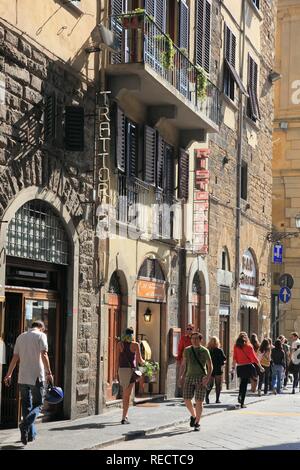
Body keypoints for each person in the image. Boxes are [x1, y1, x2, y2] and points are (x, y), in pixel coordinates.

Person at [3, 320, 53, 445]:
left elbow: (15, 357)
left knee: (26, 406)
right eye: (44, 329)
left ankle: (29, 435)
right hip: (36, 376)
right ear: (41, 327)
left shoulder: (21, 336)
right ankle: (24, 425)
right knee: (39, 404)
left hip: (23, 377)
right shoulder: (41, 335)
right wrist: (49, 373)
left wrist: (8, 374)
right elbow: (44, 354)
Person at [179, 332, 212, 431]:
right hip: (189, 377)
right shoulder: (187, 350)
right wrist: (181, 376)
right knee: (186, 399)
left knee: (199, 401)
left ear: (200, 340)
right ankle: (193, 416)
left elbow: (210, 366)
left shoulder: (204, 351)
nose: (194, 340)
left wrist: (207, 377)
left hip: (201, 378)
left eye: (196, 338)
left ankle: (197, 423)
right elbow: (183, 364)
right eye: (192, 338)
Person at [115, 327, 145, 424]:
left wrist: (116, 372)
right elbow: (140, 360)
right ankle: (124, 417)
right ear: (132, 334)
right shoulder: (135, 344)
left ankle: (125, 416)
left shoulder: (119, 344)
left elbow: (117, 360)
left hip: (122, 370)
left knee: (124, 394)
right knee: (127, 395)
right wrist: (146, 363)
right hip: (131, 371)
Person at [231, 332, 263, 408]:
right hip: (247, 366)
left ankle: (239, 395)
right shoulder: (249, 346)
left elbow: (234, 358)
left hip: (240, 367)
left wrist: (233, 368)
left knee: (242, 382)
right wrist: (260, 366)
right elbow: (254, 358)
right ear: (246, 338)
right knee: (244, 384)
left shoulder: (236, 346)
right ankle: (242, 403)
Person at [205, 336, 226, 404]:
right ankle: (217, 399)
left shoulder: (207, 350)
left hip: (210, 369)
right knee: (218, 385)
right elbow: (224, 359)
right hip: (218, 369)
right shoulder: (219, 350)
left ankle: (207, 396)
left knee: (210, 384)